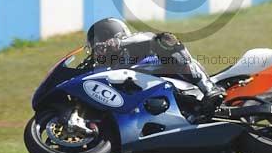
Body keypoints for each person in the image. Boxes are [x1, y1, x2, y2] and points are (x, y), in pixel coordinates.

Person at [86, 17, 226, 112]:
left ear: (110, 36)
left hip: (170, 74)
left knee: (165, 39)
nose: (97, 50)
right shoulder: (107, 68)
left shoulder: (133, 45)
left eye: (98, 43)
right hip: (151, 103)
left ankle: (209, 88)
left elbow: (148, 37)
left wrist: (119, 43)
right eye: (94, 46)